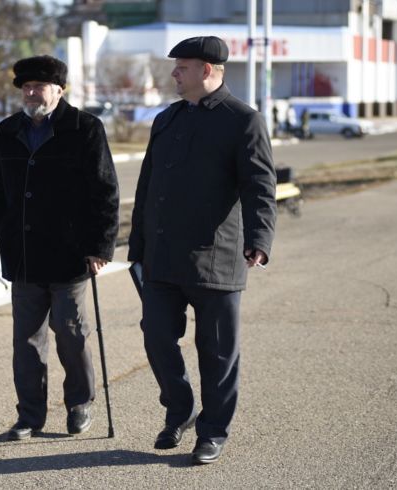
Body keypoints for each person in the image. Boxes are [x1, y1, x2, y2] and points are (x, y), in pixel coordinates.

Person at [128, 36, 276, 465]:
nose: (174, 73)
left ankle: (212, 431)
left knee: (217, 353)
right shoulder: (167, 119)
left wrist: (259, 240)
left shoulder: (243, 120)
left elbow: (260, 187)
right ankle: (180, 407)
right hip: (162, 257)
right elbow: (147, 188)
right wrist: (137, 245)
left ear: (207, 70)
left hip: (218, 255)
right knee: (157, 337)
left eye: (182, 67)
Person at [0, 55, 119, 440]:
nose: (30, 92)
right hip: (24, 255)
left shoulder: (85, 128)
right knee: (26, 342)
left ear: (59, 90)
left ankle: (79, 403)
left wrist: (100, 246)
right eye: (25, 87)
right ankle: (29, 415)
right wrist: (4, 227)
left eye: (38, 86)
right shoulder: (7, 130)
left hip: (71, 256)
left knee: (71, 333)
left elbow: (105, 190)